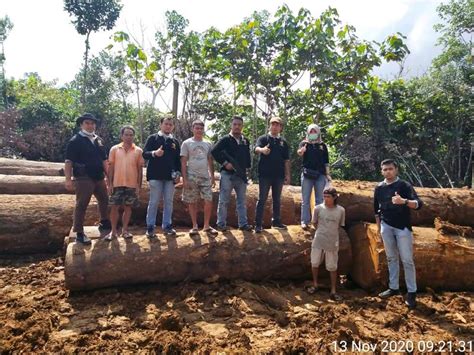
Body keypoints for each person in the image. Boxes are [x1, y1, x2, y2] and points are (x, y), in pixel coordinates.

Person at [374, 159, 423, 309]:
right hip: (386, 226)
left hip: (402, 227)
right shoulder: (379, 188)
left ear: (396, 170)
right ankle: (393, 287)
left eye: (390, 169)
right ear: (381, 171)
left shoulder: (404, 185)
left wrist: (404, 201)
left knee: (407, 260)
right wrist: (378, 229)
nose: (387, 171)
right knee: (391, 258)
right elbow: (376, 209)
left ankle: (412, 292)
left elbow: (419, 204)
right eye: (385, 169)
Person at [64, 113, 111, 244]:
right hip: (83, 177)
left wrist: (109, 177)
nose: (90, 126)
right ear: (81, 125)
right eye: (87, 123)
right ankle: (79, 232)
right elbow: (68, 161)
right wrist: (68, 179)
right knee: (82, 204)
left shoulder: (99, 140)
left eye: (92, 123)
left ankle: (104, 222)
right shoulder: (75, 141)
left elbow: (104, 160)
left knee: (104, 199)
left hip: (99, 176)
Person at [211, 116, 253, 232]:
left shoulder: (245, 140)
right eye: (235, 124)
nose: (237, 127)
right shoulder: (225, 139)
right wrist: (225, 163)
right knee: (224, 200)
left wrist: (248, 171)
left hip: (241, 175)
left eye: (239, 125)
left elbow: (247, 157)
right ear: (231, 125)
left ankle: (243, 224)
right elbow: (214, 151)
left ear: (242, 126)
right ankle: (221, 224)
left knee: (242, 201)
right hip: (227, 175)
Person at [143, 116, 182, 238]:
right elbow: (144, 153)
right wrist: (155, 153)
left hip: (170, 177)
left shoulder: (174, 142)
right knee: (154, 201)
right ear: (161, 125)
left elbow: (178, 161)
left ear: (173, 127)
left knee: (169, 202)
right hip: (155, 175)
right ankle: (150, 227)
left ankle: (167, 226)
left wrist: (179, 174)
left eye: (170, 125)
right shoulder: (153, 138)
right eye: (166, 124)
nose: (168, 126)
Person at [105, 125, 144, 241]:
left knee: (128, 208)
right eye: (126, 134)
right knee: (114, 207)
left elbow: (140, 170)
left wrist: (138, 186)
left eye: (131, 135)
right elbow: (110, 168)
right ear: (122, 136)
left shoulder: (138, 151)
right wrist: (110, 184)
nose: (128, 137)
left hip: (131, 184)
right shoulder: (114, 149)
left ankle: (125, 230)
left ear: (134, 136)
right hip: (117, 183)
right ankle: (113, 231)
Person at [306, 188, 345, 301]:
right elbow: (314, 223)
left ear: (334, 197)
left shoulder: (341, 210)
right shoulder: (318, 208)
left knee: (332, 266)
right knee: (315, 263)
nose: (326, 199)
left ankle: (333, 290)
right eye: (324, 197)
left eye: (328, 197)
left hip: (333, 241)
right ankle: (315, 284)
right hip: (319, 240)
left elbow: (339, 225)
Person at [181, 119, 218, 236]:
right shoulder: (186, 143)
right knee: (192, 201)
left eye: (201, 128)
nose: (199, 130)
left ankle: (206, 225)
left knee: (208, 200)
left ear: (203, 130)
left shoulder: (207, 144)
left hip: (205, 176)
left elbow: (210, 160)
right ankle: (194, 226)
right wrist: (184, 179)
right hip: (191, 175)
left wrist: (212, 176)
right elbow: (183, 162)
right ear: (193, 129)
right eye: (197, 128)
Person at [254, 117, 290, 233]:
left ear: (281, 127)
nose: (275, 126)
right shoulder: (264, 138)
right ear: (269, 126)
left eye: (277, 125)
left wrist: (287, 175)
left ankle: (276, 221)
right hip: (265, 174)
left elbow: (286, 160)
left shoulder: (283, 142)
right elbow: (256, 148)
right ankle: (258, 224)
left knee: (277, 199)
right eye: (273, 124)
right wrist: (262, 150)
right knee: (262, 199)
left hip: (278, 175)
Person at [297, 124, 331, 230]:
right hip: (307, 174)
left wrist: (328, 174)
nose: (313, 134)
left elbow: (326, 162)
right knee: (305, 200)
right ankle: (304, 221)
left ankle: (317, 221)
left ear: (318, 132)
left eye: (314, 131)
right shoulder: (304, 143)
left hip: (320, 175)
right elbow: (299, 152)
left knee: (319, 200)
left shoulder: (322, 145)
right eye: (311, 132)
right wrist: (301, 151)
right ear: (308, 132)